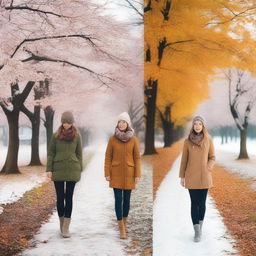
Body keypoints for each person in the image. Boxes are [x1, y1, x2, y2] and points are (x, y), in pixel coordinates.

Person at [46, 111, 83, 238]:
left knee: (69, 197)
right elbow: (51, 153)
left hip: (73, 169)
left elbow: (79, 154)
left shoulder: (77, 136)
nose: (66, 125)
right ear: (62, 122)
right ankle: (62, 223)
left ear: (72, 123)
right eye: (64, 122)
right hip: (58, 169)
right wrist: (49, 169)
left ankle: (66, 227)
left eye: (68, 122)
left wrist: (80, 169)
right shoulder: (55, 136)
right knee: (60, 197)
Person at [104, 112, 141, 239]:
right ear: (117, 124)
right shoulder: (112, 139)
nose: (121, 124)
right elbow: (108, 157)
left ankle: (125, 223)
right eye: (120, 122)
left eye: (124, 122)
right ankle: (121, 228)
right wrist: (107, 173)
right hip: (116, 174)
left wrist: (137, 174)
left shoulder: (134, 140)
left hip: (130, 174)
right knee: (118, 200)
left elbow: (137, 158)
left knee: (127, 200)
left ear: (128, 124)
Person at [179, 116, 215, 242]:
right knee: (194, 203)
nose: (198, 126)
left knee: (202, 203)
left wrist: (208, 167)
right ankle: (197, 232)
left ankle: (200, 227)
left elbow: (212, 157)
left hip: (205, 176)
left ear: (203, 126)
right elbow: (184, 160)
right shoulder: (187, 141)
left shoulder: (208, 139)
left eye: (200, 124)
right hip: (191, 176)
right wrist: (182, 176)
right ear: (193, 126)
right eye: (195, 124)